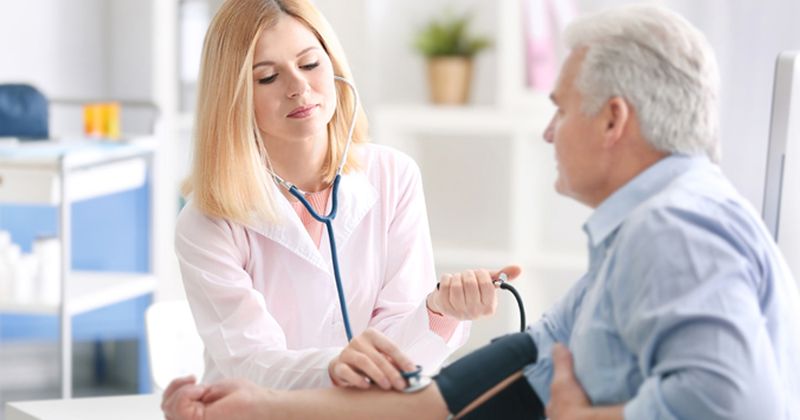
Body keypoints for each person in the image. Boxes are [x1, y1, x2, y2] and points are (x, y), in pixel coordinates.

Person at [163, 4, 800, 419]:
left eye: (559, 107)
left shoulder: (673, 231)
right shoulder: (634, 236)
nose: (547, 132)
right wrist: (256, 405)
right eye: (268, 77)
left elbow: (734, 403)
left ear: (612, 119)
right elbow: (493, 372)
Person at [176, 0, 521, 392]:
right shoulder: (206, 221)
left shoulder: (393, 176)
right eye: (268, 77)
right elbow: (252, 362)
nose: (299, 87)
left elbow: (402, 352)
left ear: (334, 67)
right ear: (232, 98)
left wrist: (440, 311)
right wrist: (338, 367)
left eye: (309, 65)